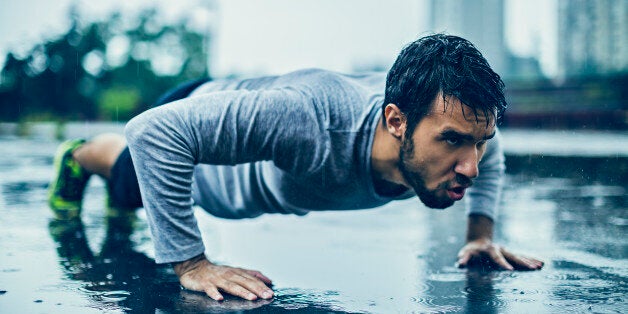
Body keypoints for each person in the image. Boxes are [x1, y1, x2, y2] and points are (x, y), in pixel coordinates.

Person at [48, 34, 544, 302]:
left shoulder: (451, 124)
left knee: (130, 200)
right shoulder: (310, 119)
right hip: (198, 136)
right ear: (396, 121)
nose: (471, 167)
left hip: (241, 108)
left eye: (478, 141)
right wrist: (192, 264)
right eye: (454, 142)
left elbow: (487, 149)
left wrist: (479, 233)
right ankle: (79, 154)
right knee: (127, 176)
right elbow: (156, 134)